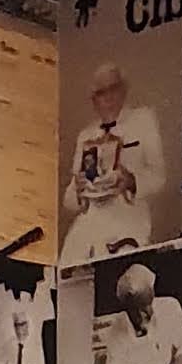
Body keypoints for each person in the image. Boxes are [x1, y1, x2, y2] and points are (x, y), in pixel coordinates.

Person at [61, 62, 166, 265]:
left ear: (124, 90)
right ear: (94, 100)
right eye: (101, 93)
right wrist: (78, 189)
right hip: (89, 226)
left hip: (128, 222)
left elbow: (159, 176)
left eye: (113, 89)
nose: (108, 97)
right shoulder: (86, 136)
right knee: (68, 274)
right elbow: (69, 200)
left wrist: (131, 181)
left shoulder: (143, 120)